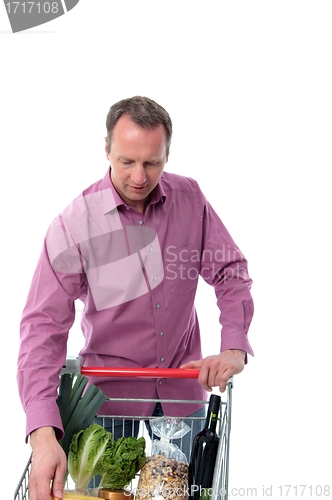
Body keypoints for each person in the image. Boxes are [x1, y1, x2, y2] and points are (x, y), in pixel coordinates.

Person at [17, 96, 254, 500]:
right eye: (126, 161)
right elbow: (42, 327)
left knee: (193, 494)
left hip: (183, 389)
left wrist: (233, 347)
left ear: (167, 155)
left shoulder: (190, 199)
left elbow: (230, 271)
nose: (140, 177)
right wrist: (42, 433)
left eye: (152, 162)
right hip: (107, 401)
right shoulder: (75, 225)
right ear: (106, 150)